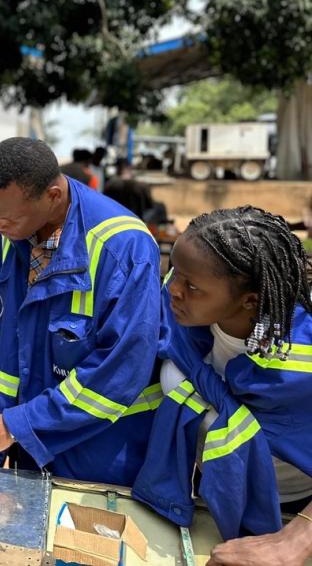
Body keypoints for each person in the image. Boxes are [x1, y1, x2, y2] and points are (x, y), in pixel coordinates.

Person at [0, 137, 160, 486]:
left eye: (6, 219)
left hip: (101, 458)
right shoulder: (12, 231)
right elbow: (13, 330)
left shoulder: (124, 249)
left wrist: (15, 425)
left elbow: (118, 374)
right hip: (30, 453)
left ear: (53, 197)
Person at [131, 207, 312, 563]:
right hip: (205, 493)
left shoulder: (301, 364)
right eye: (175, 273)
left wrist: (297, 540)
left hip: (287, 513)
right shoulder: (180, 316)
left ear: (250, 300)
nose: (174, 291)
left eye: (192, 286)